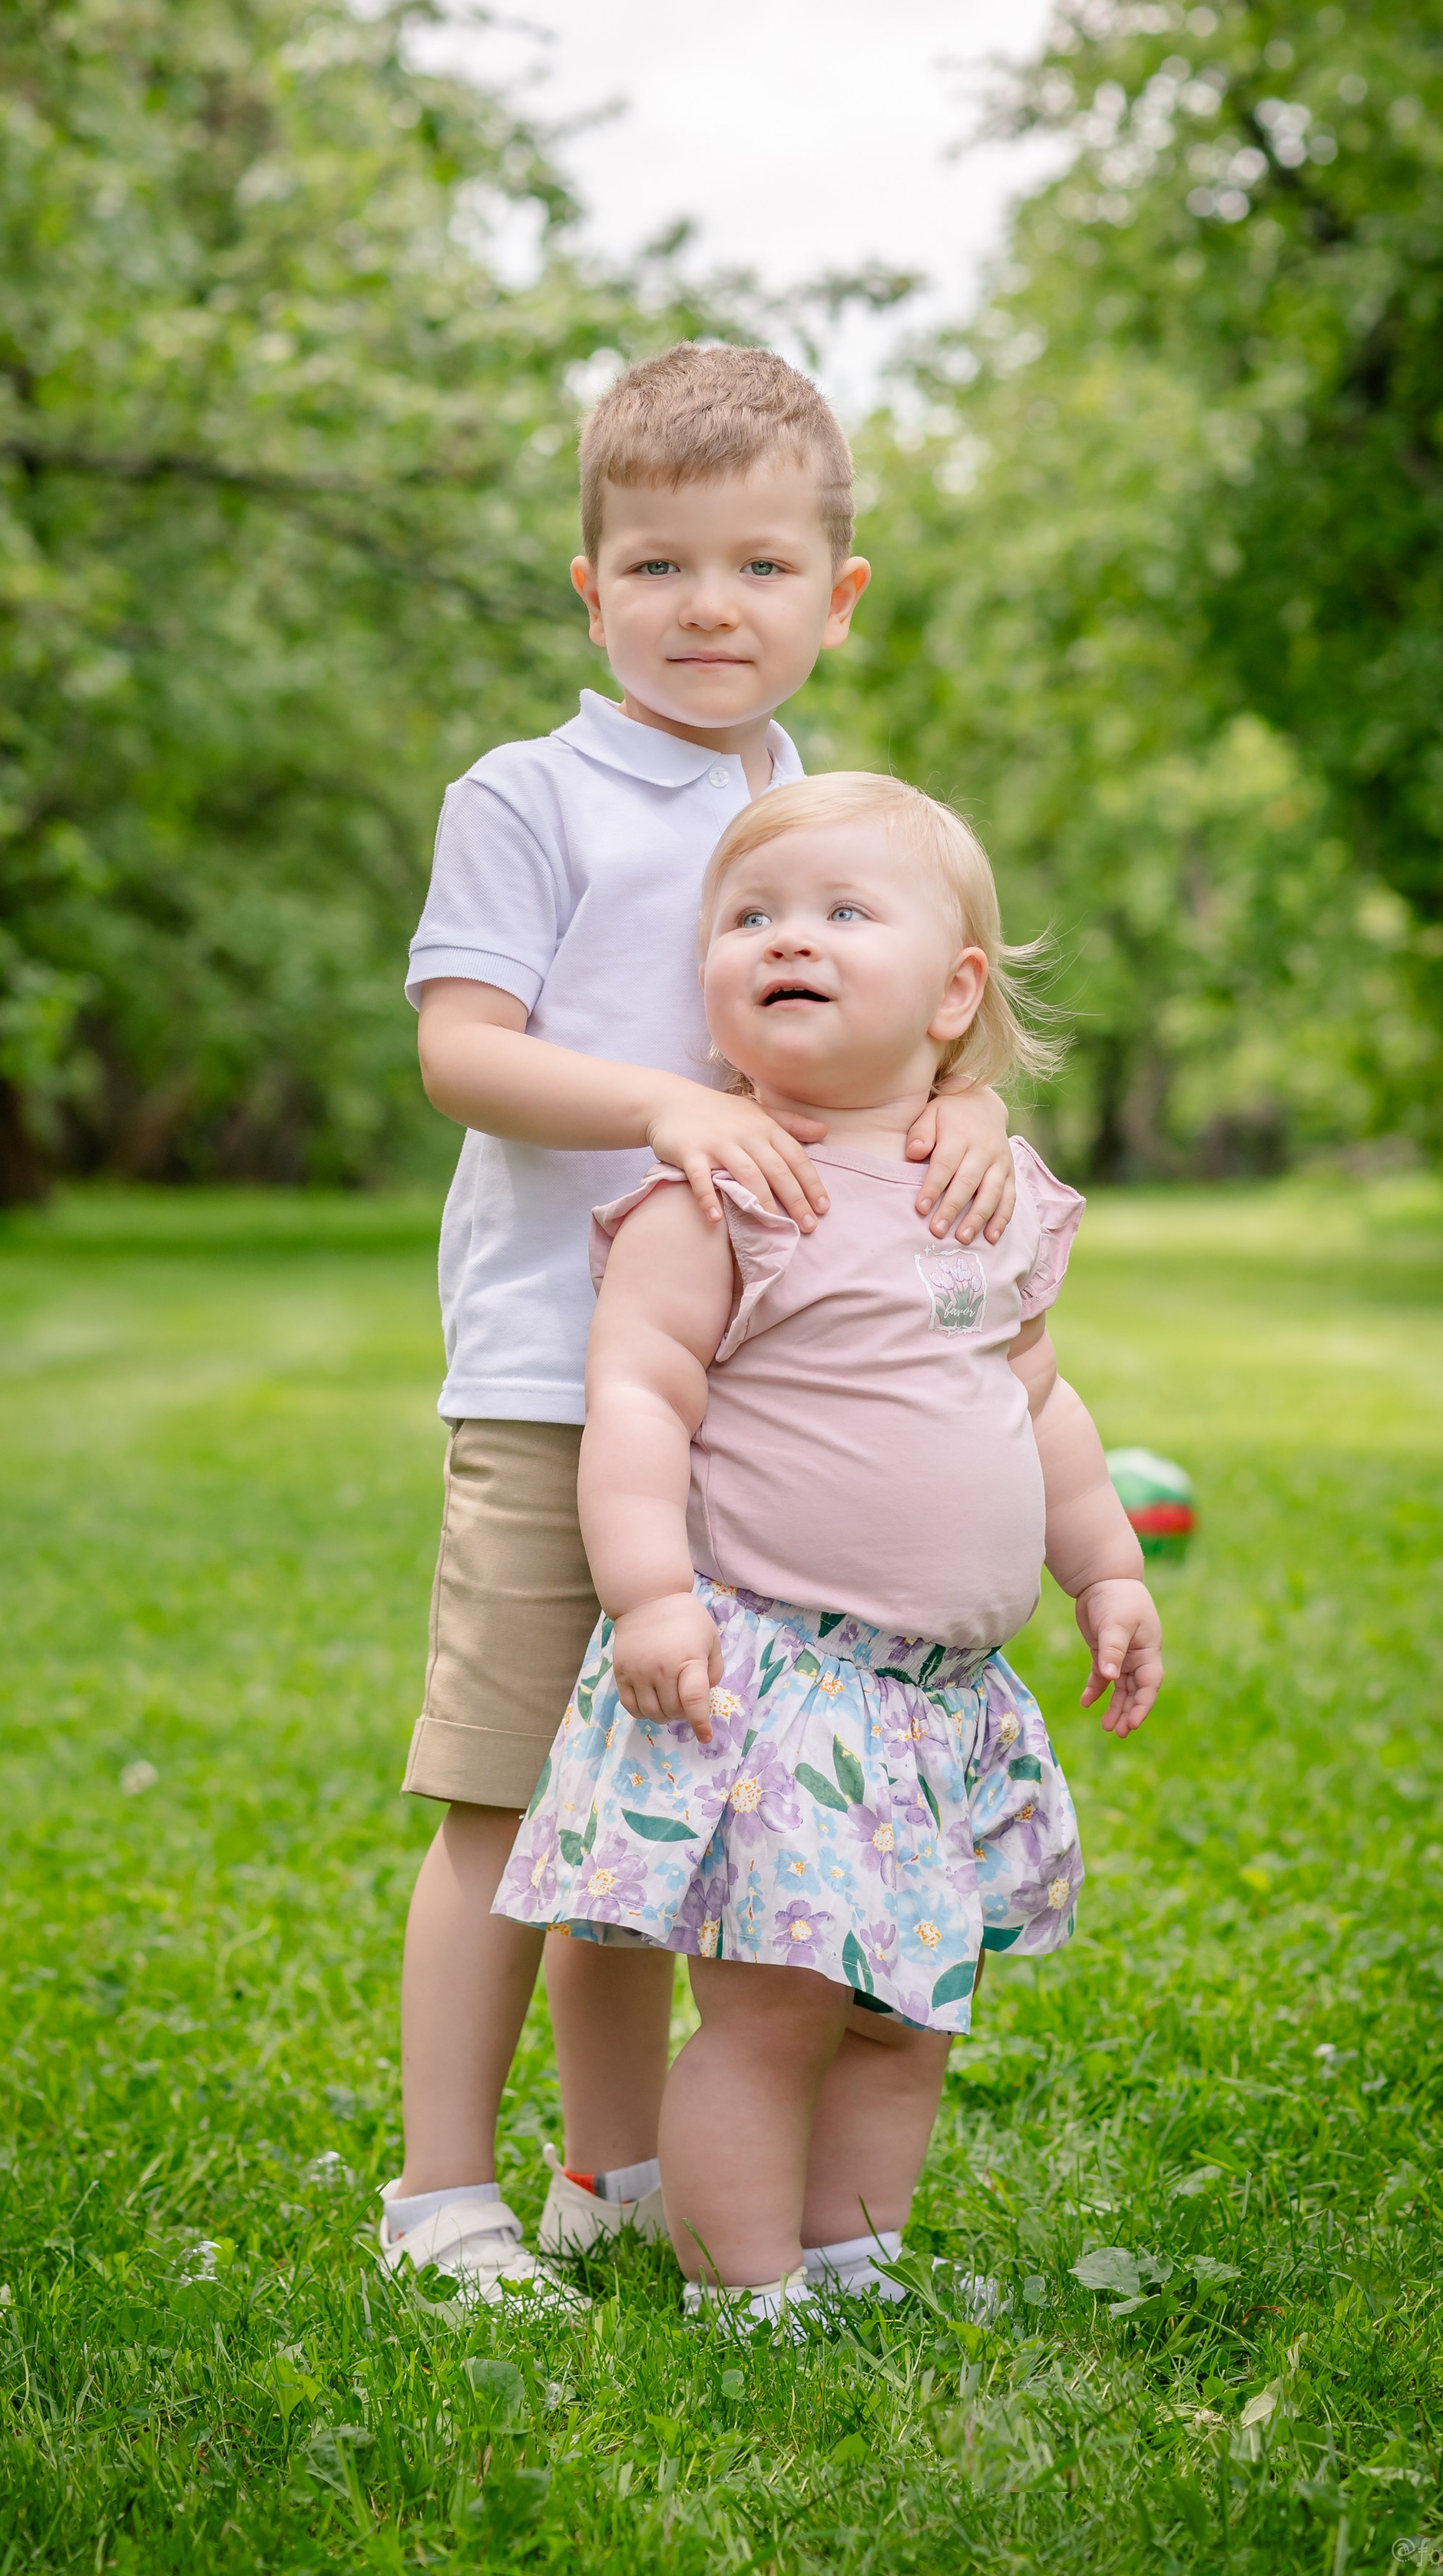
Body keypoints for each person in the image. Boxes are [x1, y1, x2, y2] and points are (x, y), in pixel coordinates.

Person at [384, 349, 1021, 2298]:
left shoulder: (815, 805)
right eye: (656, 565)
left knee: (652, 1811)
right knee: (507, 1794)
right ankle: (438, 2199)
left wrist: (964, 1106)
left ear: (837, 594)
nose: (706, 606)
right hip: (558, 1377)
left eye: (758, 566)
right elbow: (461, 1054)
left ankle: (614, 2170)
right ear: (591, 589)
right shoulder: (531, 792)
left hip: (762, 1409)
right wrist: (670, 1106)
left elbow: (898, 1010)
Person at [494, 772, 1163, 2329]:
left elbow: (1037, 1401)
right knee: (778, 2011)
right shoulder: (721, 1196)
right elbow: (638, 1399)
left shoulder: (983, 1193)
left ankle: (856, 2257)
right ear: (711, 987)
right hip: (776, 1686)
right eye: (749, 918)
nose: (787, 938)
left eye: (842, 912)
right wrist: (648, 1595)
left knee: (901, 2017)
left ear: (954, 995)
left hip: (931, 1702)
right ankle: (744, 2285)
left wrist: (1107, 1568)